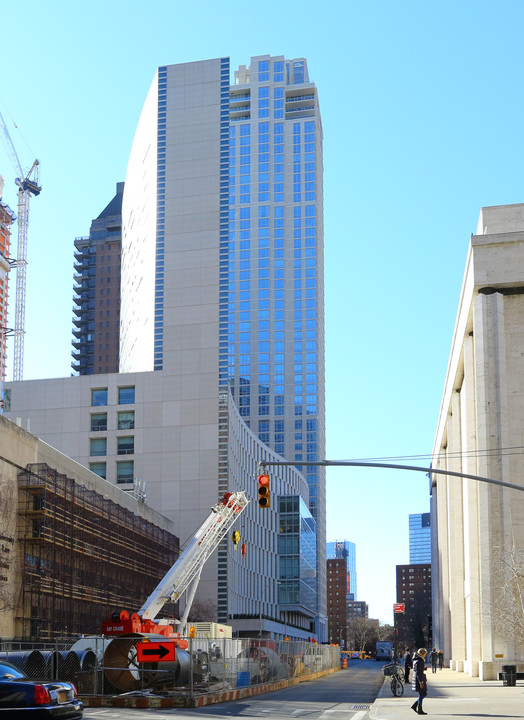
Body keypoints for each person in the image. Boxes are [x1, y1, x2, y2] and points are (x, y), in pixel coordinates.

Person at [411, 648, 428, 715]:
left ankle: (415, 705)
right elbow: (418, 672)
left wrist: (423, 668)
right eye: (425, 654)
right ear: (422, 654)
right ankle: (419, 708)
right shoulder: (420, 661)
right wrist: (421, 682)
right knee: (422, 694)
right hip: (419, 679)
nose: (425, 655)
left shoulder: (416, 660)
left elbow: (417, 670)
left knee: (423, 693)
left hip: (418, 678)